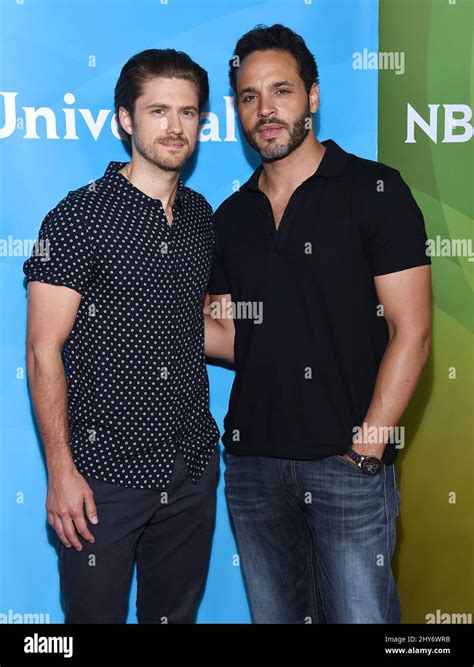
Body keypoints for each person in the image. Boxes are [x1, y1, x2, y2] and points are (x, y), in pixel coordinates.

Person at [205, 24, 432, 624]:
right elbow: (235, 336)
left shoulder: (374, 190)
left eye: (282, 90)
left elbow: (413, 330)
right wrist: (149, 313)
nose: (266, 109)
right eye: (250, 96)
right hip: (251, 467)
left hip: (347, 466)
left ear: (314, 96)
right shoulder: (230, 217)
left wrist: (366, 450)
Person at [23, 48, 220, 624]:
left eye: (188, 113)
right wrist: (61, 473)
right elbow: (42, 351)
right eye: (158, 111)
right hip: (102, 479)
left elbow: (196, 326)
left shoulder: (202, 217)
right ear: (125, 120)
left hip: (189, 469)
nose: (175, 126)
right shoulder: (76, 217)